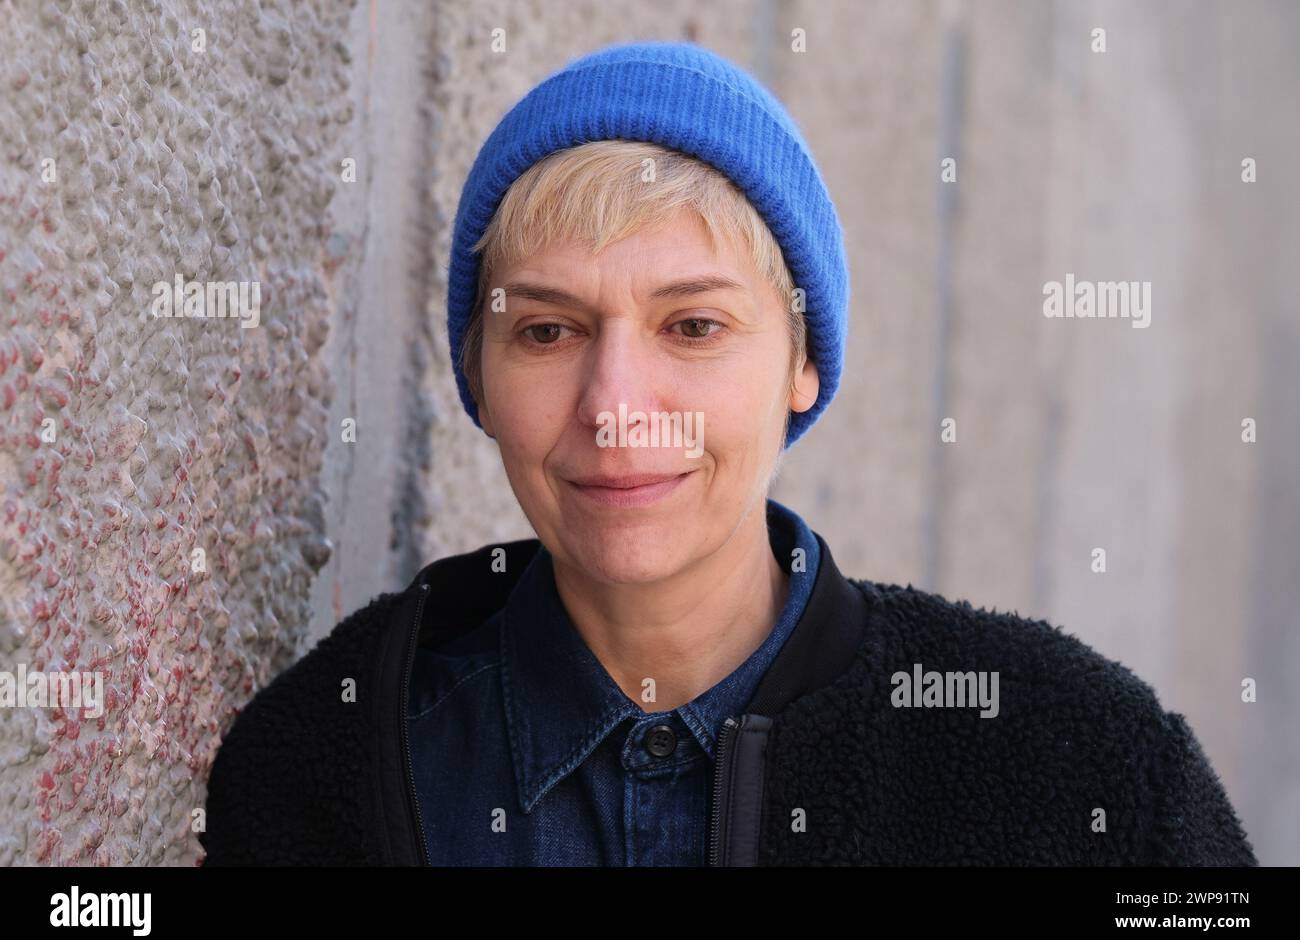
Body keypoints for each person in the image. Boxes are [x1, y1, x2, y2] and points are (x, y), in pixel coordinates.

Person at [199, 40, 1256, 866]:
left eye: (693, 326)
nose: (615, 408)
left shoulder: (1074, 764)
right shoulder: (319, 772)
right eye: (547, 330)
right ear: (476, 374)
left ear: (803, 364)